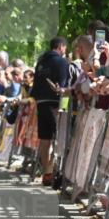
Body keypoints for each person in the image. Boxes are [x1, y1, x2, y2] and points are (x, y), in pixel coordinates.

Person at [31, 36, 71, 186]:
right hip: (55, 103)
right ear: (61, 47)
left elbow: (34, 87)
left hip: (41, 103)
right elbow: (64, 86)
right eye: (64, 48)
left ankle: (46, 173)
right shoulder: (62, 62)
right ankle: (53, 170)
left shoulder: (40, 62)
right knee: (57, 138)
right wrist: (65, 107)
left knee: (45, 139)